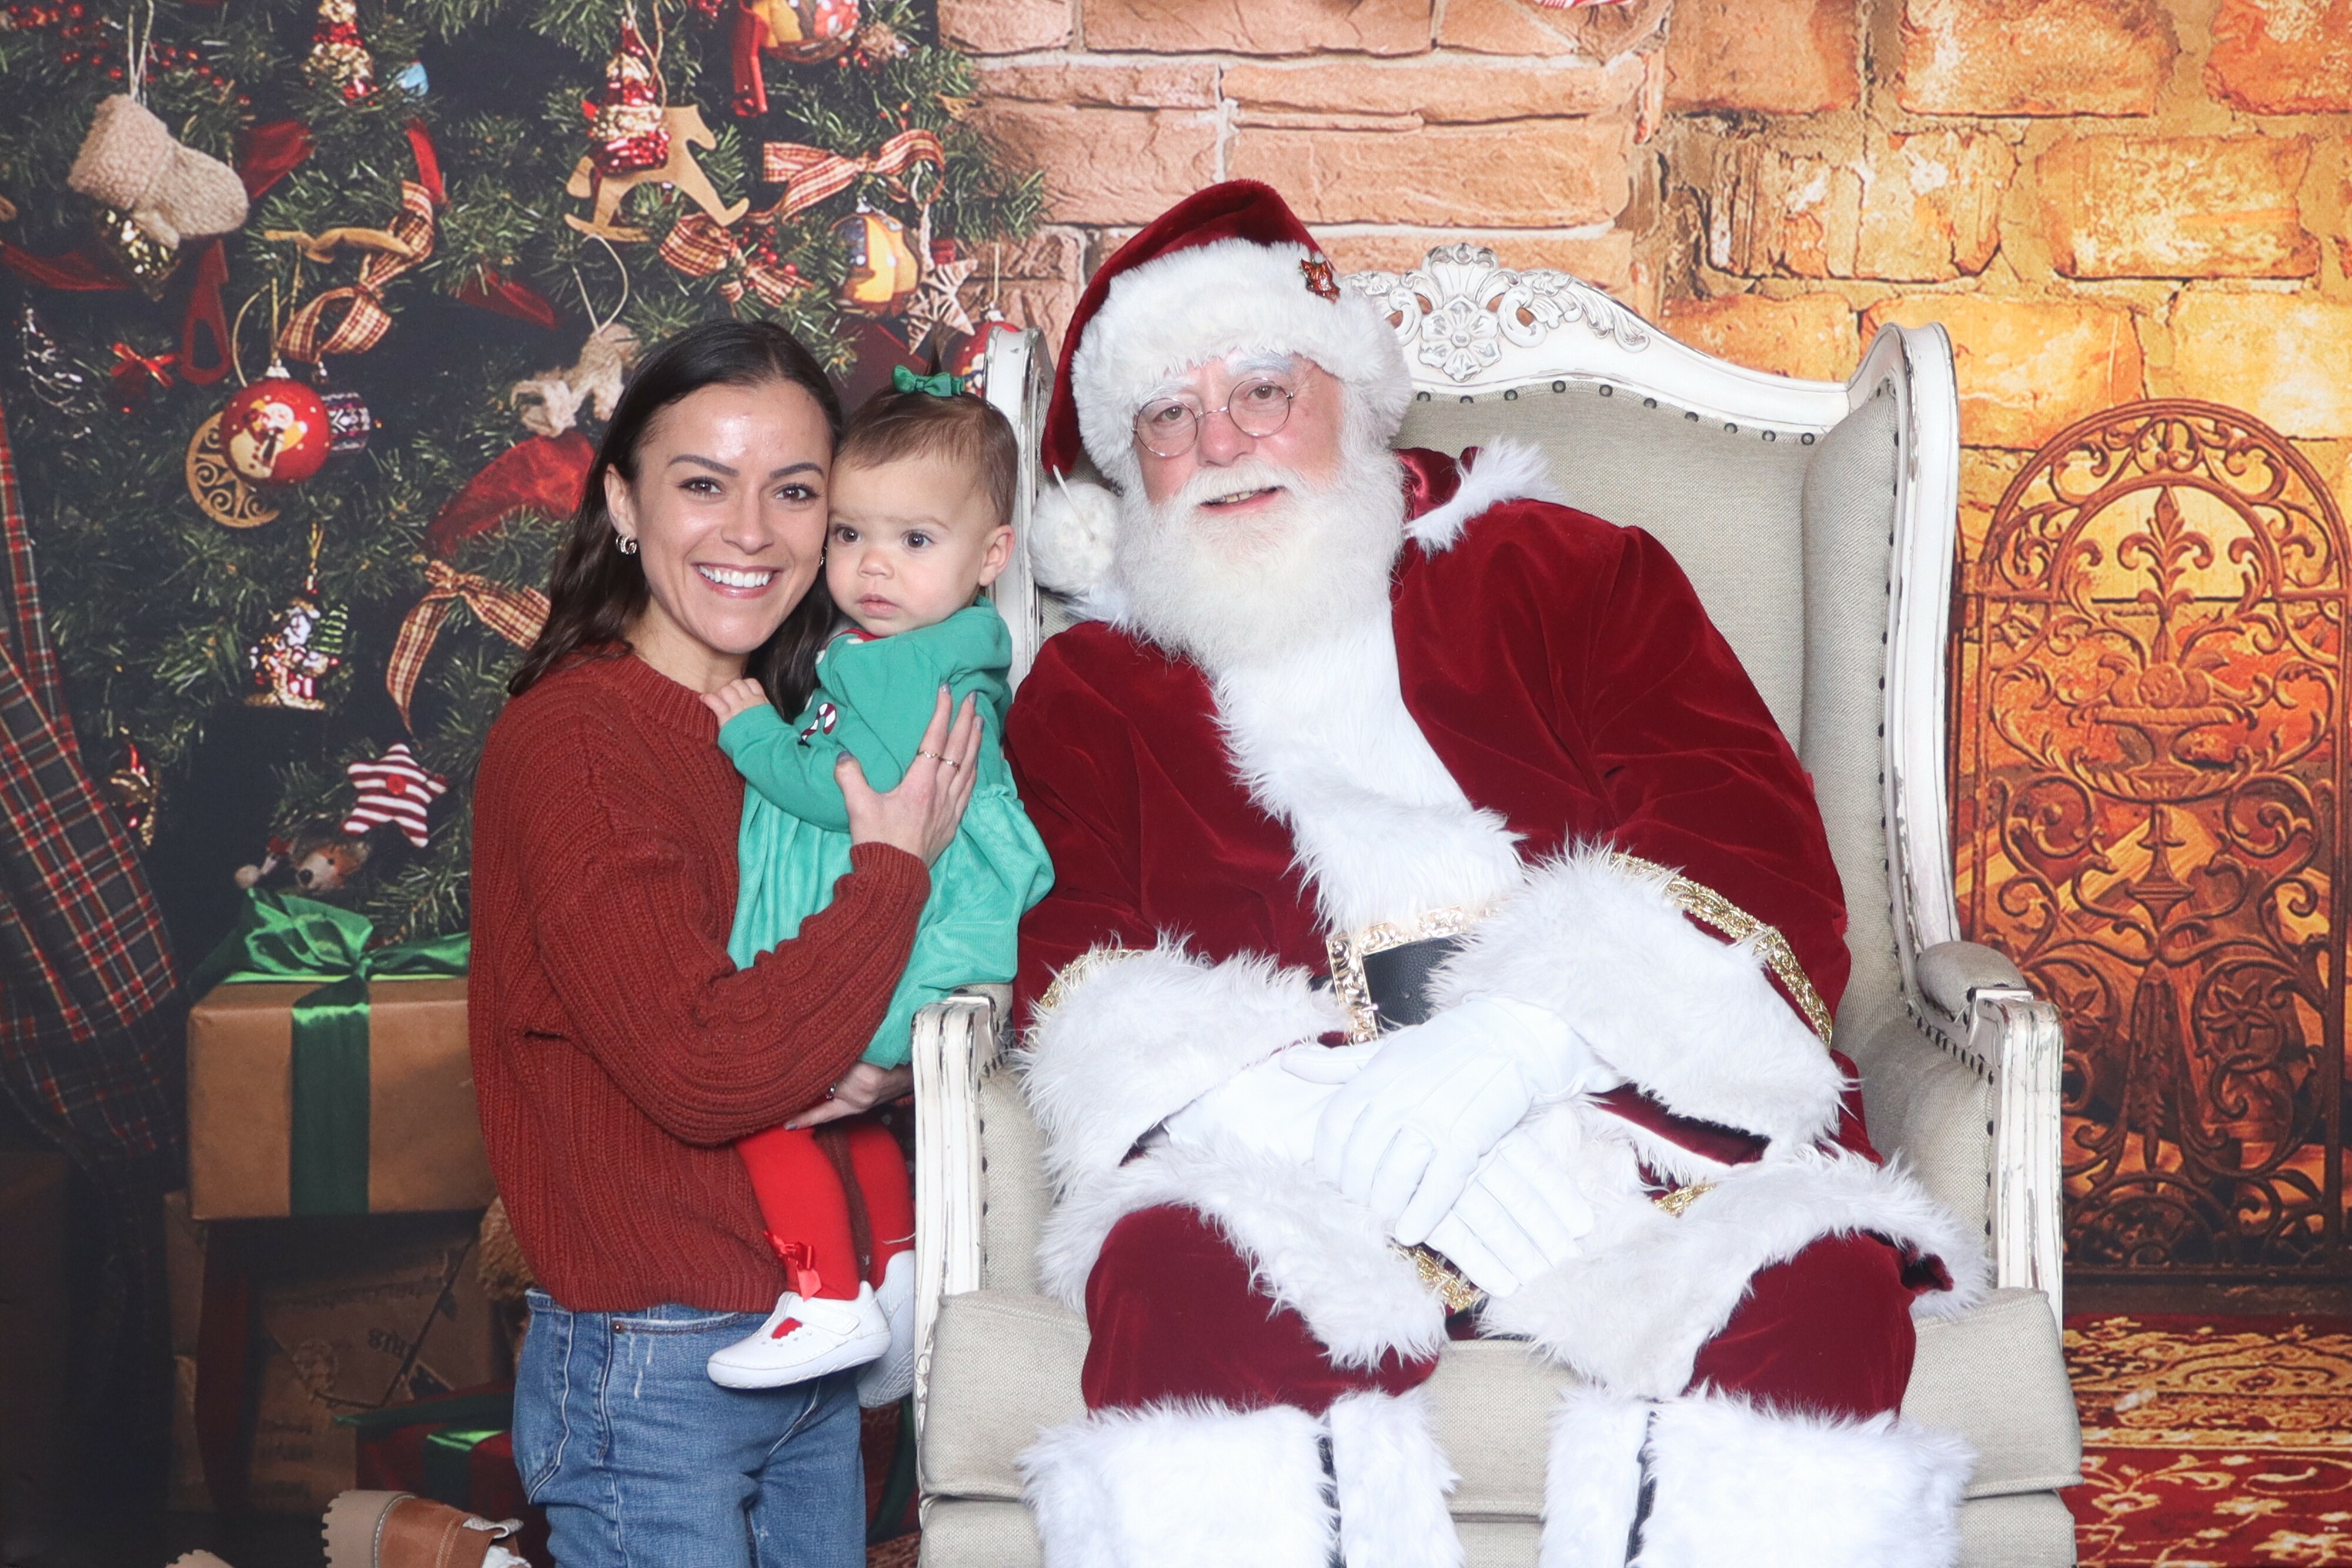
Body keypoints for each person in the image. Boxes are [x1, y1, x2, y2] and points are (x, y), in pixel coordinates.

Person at [1005, 181, 1986, 1567]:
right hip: (1286, 1154)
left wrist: (1520, 1049)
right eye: (1167, 417)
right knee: (1181, 1289)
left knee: (1811, 1288)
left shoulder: (1568, 570)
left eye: (1261, 390)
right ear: (1130, 470)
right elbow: (1077, 951)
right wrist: (1306, 1112)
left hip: (1623, 1116)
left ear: (1349, 396)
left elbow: (1741, 833)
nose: (1218, 443)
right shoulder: (1092, 689)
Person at [470, 319, 981, 1568]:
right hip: (659, 1359)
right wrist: (895, 872)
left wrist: (892, 1060)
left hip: (808, 1342)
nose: (752, 531)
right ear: (623, 504)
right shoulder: (581, 744)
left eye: (794, 492)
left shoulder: (800, 729)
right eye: (703, 483)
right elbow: (706, 1068)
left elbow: (840, 994)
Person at [697, 385, 1053, 1395]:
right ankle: (893, 1272)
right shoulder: (930, 651)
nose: (873, 566)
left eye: (914, 539)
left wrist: (753, 735)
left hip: (891, 936)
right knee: (847, 1124)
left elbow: (844, 791)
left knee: (764, 1107)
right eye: (850, 534)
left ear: (991, 556)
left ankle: (823, 1295)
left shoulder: (903, 671)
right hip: (913, 929)